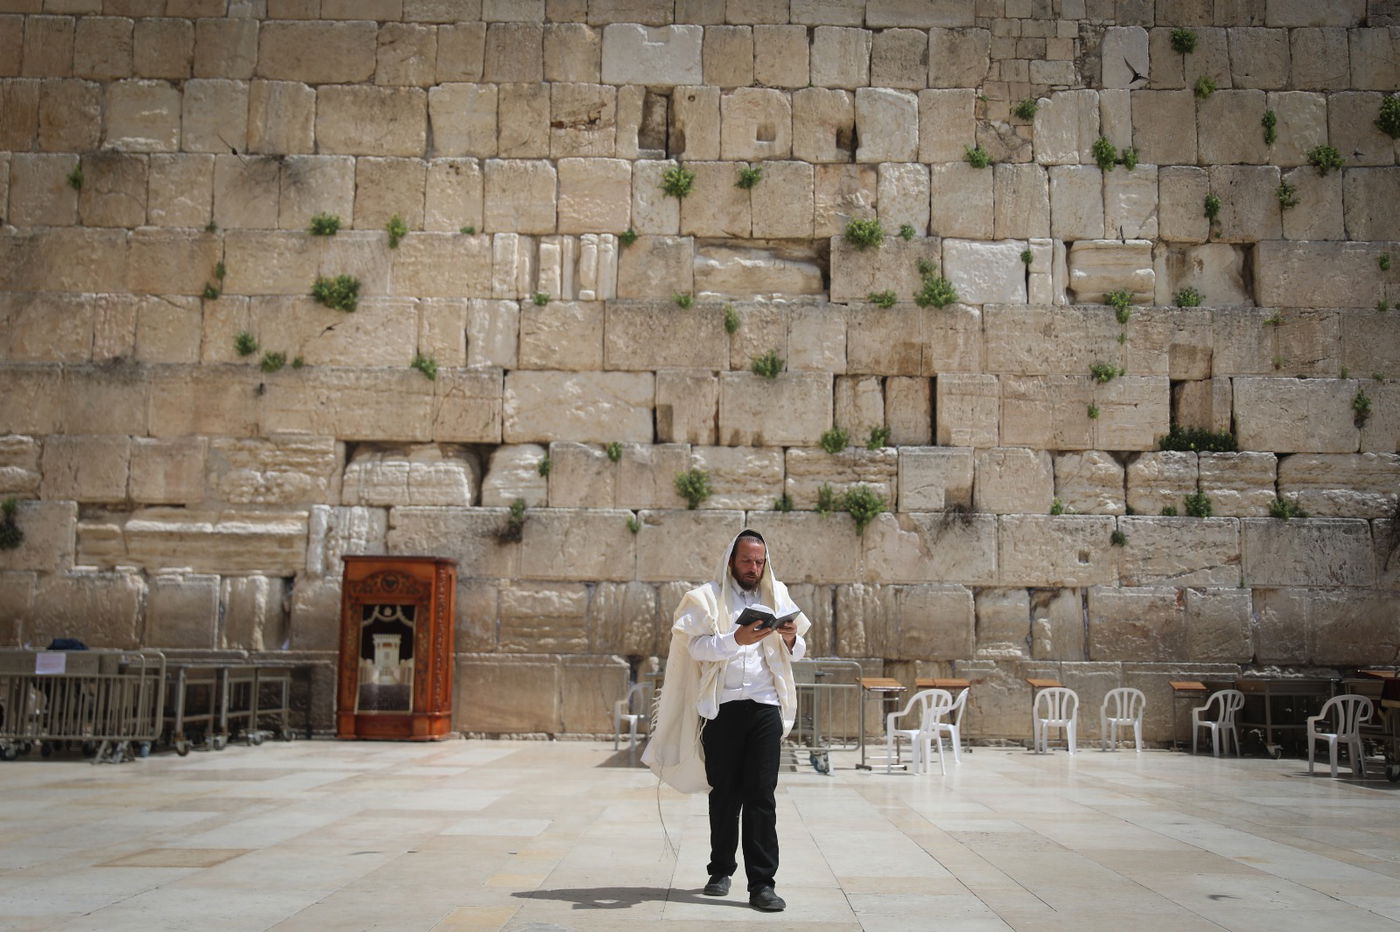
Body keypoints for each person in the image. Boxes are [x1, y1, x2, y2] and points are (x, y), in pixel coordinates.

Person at [642, 529, 811, 913]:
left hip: (765, 707)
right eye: (747, 560)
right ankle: (720, 870)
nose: (753, 568)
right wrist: (737, 639)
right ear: (731, 561)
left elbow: (799, 650)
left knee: (761, 795)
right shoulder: (706, 598)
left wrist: (789, 637)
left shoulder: (777, 596)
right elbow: (695, 646)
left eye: (759, 561)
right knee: (724, 794)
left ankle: (762, 884)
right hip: (722, 709)